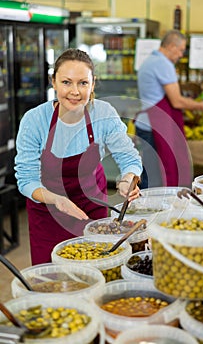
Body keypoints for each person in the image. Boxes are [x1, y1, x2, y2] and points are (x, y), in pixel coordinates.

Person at [15, 48, 142, 265]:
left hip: (92, 207)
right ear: (53, 82)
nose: (75, 91)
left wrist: (127, 179)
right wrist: (57, 199)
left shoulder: (103, 113)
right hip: (47, 213)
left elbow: (128, 158)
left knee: (97, 268)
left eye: (83, 83)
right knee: (51, 276)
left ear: (93, 84)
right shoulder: (35, 120)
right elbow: (26, 180)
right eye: (66, 82)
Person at [135, 29, 203, 188]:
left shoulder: (148, 61)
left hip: (145, 125)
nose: (180, 55)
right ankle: (152, 210)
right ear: (171, 46)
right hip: (155, 128)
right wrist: (202, 106)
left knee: (149, 172)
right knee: (159, 175)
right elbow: (177, 101)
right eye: (180, 50)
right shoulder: (163, 64)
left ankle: (143, 208)